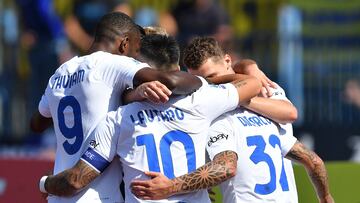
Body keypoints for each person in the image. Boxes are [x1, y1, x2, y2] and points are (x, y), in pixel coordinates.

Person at [37, 34, 262, 203]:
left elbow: (77, 180)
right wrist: (214, 79)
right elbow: (252, 84)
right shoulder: (201, 100)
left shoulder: (118, 118)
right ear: (177, 67)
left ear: (142, 69)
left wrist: (44, 182)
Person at [130, 37, 334, 203]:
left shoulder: (218, 116)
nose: (208, 87)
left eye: (213, 78)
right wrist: (325, 197)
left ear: (228, 62)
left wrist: (172, 187)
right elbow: (313, 160)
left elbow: (226, 167)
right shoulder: (268, 119)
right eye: (201, 82)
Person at [31, 12, 205, 203]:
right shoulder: (113, 64)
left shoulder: (60, 73)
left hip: (60, 194)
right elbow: (171, 81)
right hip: (98, 196)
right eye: (136, 50)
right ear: (124, 44)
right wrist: (208, 83)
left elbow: (37, 124)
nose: (137, 59)